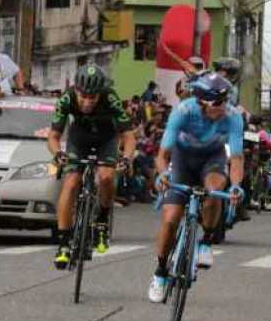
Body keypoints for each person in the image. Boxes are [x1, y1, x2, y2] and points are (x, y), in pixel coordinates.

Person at [147, 73, 245, 303]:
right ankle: (160, 272)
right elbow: (163, 155)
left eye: (227, 100)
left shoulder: (233, 117)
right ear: (203, 102)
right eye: (219, 102)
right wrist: (162, 173)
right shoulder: (184, 111)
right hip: (182, 159)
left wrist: (236, 186)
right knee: (171, 218)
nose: (225, 107)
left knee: (215, 189)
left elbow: (237, 158)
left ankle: (206, 240)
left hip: (212, 158)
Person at [48, 64, 136, 269]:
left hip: (106, 140)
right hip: (79, 141)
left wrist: (127, 157)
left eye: (93, 98)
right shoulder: (66, 99)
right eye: (83, 97)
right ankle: (63, 243)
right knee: (70, 183)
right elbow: (53, 137)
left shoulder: (110, 98)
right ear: (76, 90)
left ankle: (102, 220)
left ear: (100, 94)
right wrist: (58, 153)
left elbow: (129, 136)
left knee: (106, 177)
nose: (87, 102)